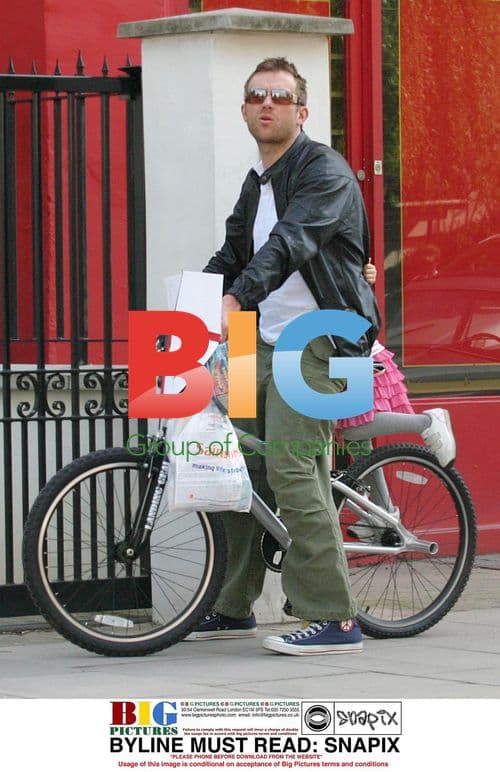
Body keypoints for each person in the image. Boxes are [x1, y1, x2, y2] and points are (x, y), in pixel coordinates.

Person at [185, 57, 380, 655]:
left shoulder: (325, 171)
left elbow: (290, 244)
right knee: (236, 470)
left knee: (294, 468)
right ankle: (233, 605)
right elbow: (232, 255)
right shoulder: (257, 181)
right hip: (258, 339)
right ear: (245, 109)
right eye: (256, 96)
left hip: (324, 334)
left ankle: (335, 618)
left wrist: (239, 295)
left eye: (280, 96)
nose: (266, 104)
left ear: (302, 110)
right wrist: (189, 303)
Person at [337, 261, 456, 469]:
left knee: (353, 430)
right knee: (360, 450)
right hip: (354, 354)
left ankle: (426, 422)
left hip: (359, 356)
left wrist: (364, 274)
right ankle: (383, 503)